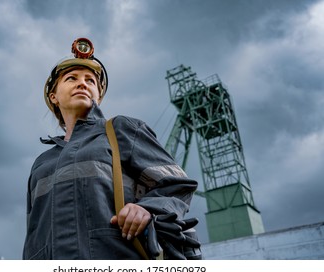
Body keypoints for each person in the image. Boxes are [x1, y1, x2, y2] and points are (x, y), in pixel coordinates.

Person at [22, 38, 200, 260]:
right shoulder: (41, 163)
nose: (82, 83)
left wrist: (149, 208)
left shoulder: (121, 130)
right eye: (71, 78)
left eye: (90, 81)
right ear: (53, 97)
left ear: (98, 96)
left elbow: (176, 184)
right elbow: (33, 234)